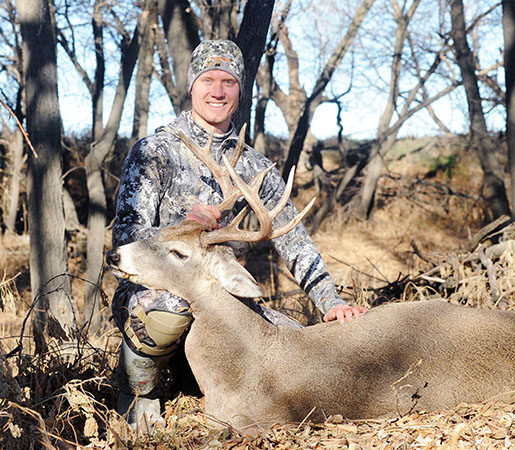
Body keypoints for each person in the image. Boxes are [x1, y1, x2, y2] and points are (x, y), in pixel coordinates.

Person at [111, 39, 365, 428]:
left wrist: (331, 302)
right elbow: (126, 238)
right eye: (208, 80)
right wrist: (180, 225)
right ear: (192, 86)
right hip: (157, 289)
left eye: (228, 82)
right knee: (167, 312)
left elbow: (293, 240)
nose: (217, 91)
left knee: (296, 349)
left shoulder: (255, 167)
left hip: (222, 301)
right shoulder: (155, 151)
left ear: (239, 90)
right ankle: (139, 394)